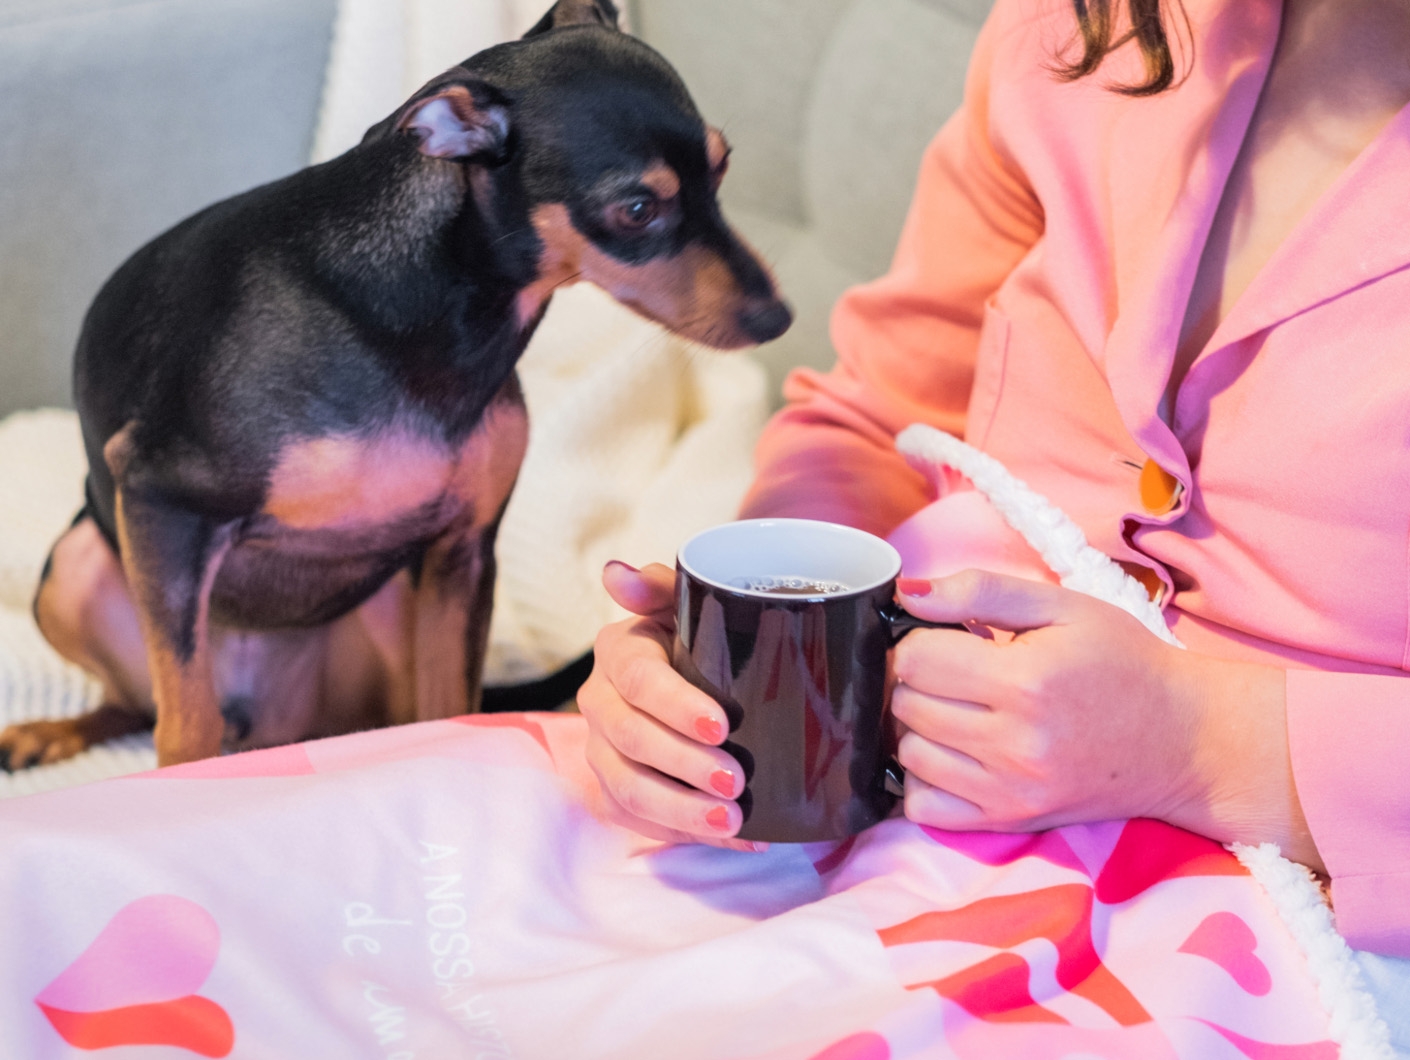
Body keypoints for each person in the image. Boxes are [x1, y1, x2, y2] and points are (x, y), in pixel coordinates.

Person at [577, 0, 1410, 956]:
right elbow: (878, 416)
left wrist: (1197, 742)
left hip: (1266, 942)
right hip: (854, 839)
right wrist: (737, 655)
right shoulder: (1080, 29)